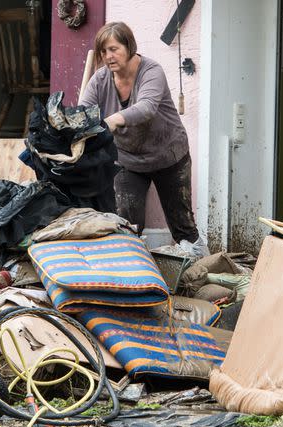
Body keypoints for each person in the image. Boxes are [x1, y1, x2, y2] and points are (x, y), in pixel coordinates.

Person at [78, 22, 208, 256]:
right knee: (127, 227)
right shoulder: (100, 80)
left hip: (169, 156)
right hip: (128, 161)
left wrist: (113, 119)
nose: (108, 56)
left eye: (113, 49)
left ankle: (200, 271)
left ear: (129, 47)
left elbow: (147, 108)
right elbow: (83, 113)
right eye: (103, 51)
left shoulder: (151, 71)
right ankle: (132, 280)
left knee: (183, 227)